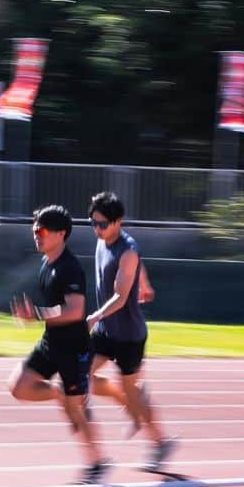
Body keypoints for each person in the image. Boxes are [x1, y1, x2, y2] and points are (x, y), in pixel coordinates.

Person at [8, 205, 111, 485]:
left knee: (75, 410)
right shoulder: (47, 264)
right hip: (50, 341)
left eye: (41, 231)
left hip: (73, 348)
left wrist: (37, 314)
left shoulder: (69, 268)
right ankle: (60, 392)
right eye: (34, 231)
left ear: (60, 233)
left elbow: (75, 310)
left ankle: (98, 462)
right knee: (19, 387)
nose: (36, 236)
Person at [85, 191, 177, 472]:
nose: (96, 229)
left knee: (133, 395)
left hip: (129, 335)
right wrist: (145, 283)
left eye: (102, 224)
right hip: (105, 330)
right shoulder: (103, 241)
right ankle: (126, 394)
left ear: (118, 222)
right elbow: (139, 268)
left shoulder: (128, 249)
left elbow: (122, 296)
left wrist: (95, 315)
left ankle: (161, 442)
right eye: (93, 223)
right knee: (77, 375)